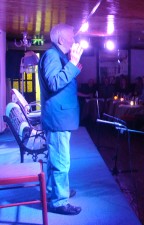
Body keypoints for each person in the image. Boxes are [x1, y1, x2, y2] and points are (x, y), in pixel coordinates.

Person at [38, 23, 83, 215]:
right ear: (60, 39)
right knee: (61, 162)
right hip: (57, 119)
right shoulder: (51, 55)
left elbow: (60, 81)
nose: (74, 40)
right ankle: (59, 201)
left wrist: (73, 66)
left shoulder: (58, 56)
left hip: (60, 118)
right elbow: (54, 82)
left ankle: (54, 191)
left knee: (57, 159)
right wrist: (72, 64)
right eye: (71, 36)